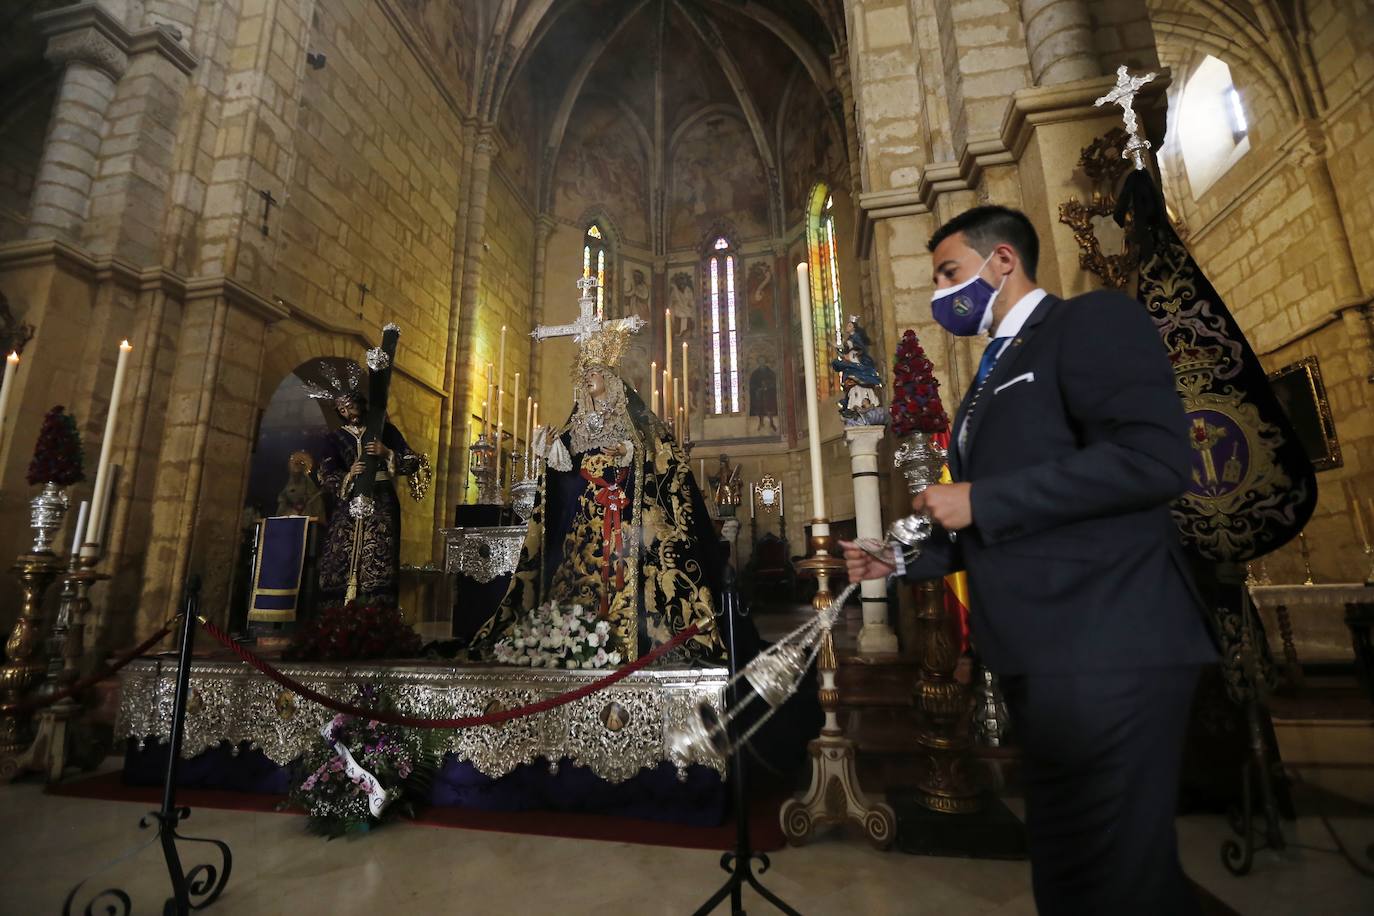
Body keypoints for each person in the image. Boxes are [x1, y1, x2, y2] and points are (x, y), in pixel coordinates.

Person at [842, 205, 1216, 915]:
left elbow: (1153, 461)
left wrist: (982, 497)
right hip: (1042, 655)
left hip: (1109, 642)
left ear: (1003, 261)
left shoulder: (1088, 323)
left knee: (1121, 877)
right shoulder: (991, 374)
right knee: (1071, 867)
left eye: (950, 273)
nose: (941, 293)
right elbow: (999, 516)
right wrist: (897, 558)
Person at [473, 322, 725, 666]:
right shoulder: (578, 423)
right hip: (584, 524)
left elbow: (658, 457)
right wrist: (548, 451)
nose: (589, 377)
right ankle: (573, 632)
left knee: (625, 573)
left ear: (610, 376)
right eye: (585, 372)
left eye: (595, 371)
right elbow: (564, 473)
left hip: (623, 523)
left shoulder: (633, 421)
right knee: (578, 575)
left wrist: (628, 453)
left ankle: (631, 637)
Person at [316, 391, 421, 606]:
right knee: (340, 553)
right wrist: (349, 474)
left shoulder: (384, 431)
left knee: (378, 553)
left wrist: (387, 453)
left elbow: (411, 460)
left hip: (381, 499)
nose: (349, 413)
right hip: (348, 502)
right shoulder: (334, 438)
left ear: (361, 405)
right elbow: (325, 473)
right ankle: (337, 613)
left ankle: (376, 612)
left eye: (351, 406)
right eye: (343, 410)